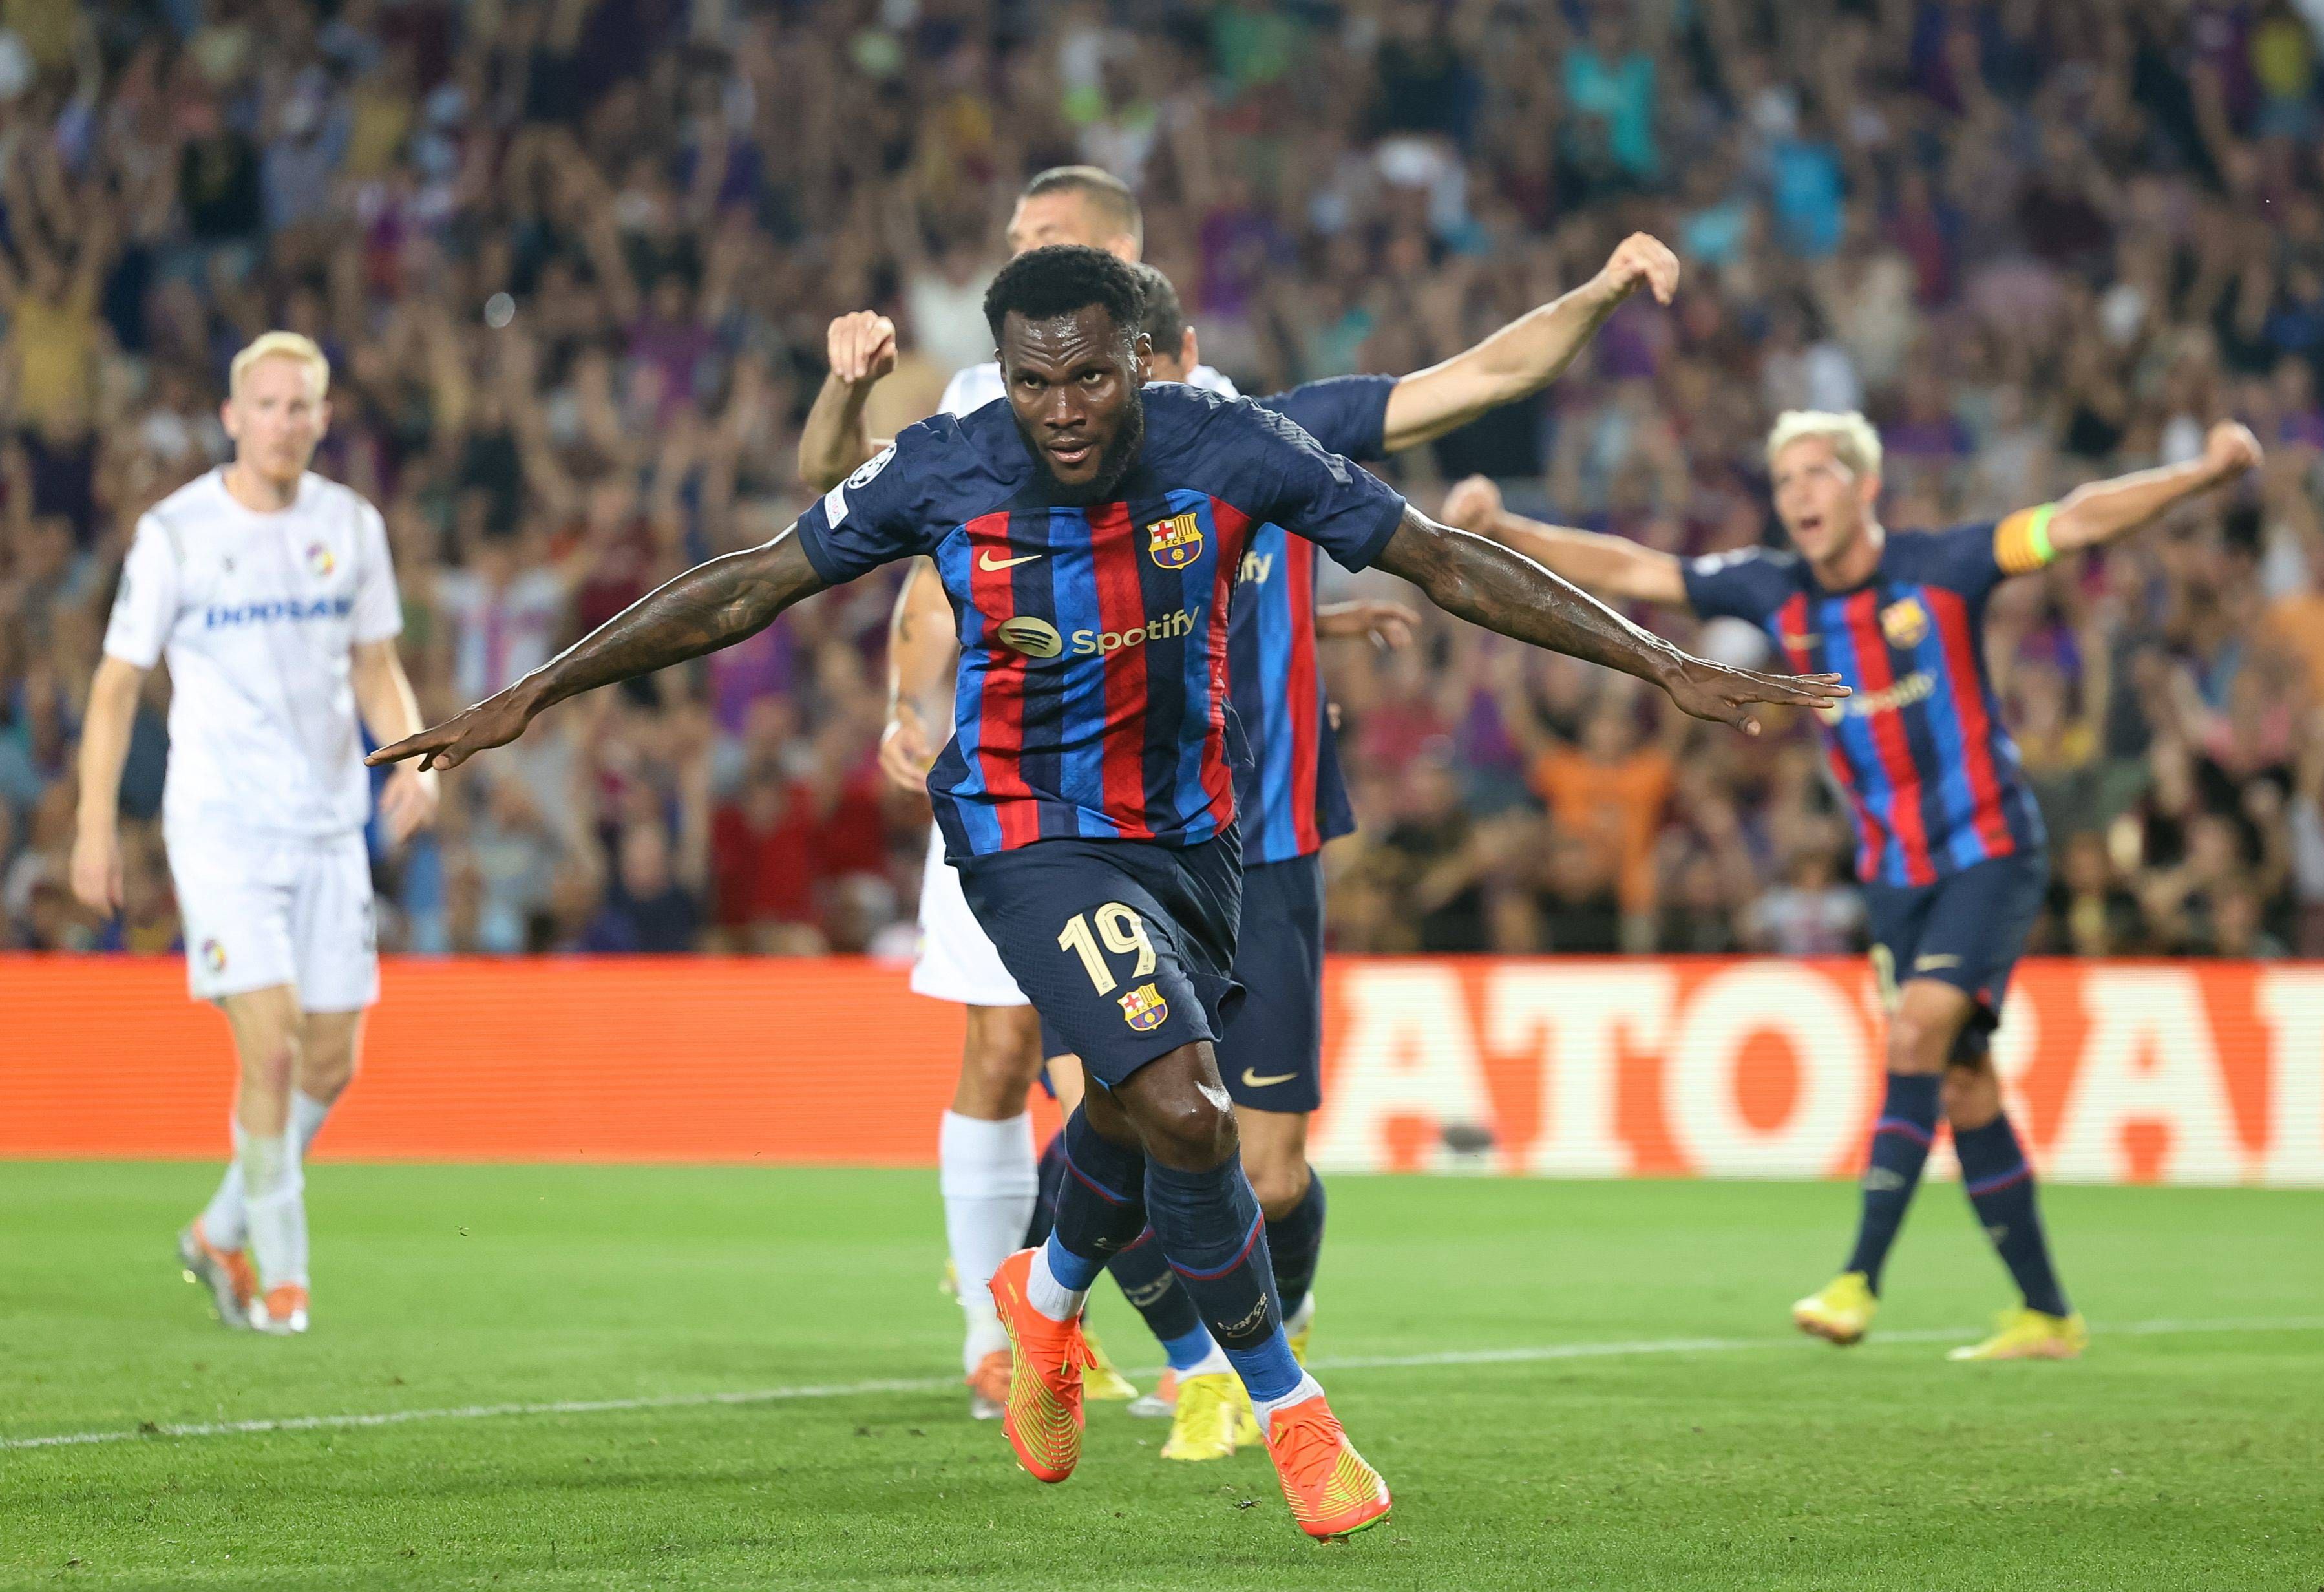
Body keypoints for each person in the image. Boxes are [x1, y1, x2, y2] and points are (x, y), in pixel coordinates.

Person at [370, 246, 1841, 1538]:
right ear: (1002, 374)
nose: (1060, 408)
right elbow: (749, 581)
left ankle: (1047, 1294)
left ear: (1136, 361)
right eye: (1031, 381)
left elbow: (1442, 559)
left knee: (1130, 1112)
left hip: (1191, 836)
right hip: (1024, 828)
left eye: (1085, 377)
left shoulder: (1223, 444)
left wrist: (1664, 666)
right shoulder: (946, 467)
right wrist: (537, 691)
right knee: (1188, 1103)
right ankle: (1290, 1410)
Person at [1443, 409, 2263, 1361]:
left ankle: (1857, 1279)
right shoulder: (1773, 589)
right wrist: (1503, 527)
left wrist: (2201, 473)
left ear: (1864, 487)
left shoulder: (1945, 565)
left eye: (1818, 473)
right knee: (1960, 1080)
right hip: (1892, 878)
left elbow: (2075, 520)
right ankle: (2046, 1314)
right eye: (1784, 478)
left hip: (1987, 850)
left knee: (1915, 1033)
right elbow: (1632, 570)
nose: (1798, 493)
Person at [1099, 242, 1682, 1462]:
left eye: (1150, 376)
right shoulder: (1063, 468)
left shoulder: (1278, 437)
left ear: (1188, 363)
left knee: (1267, 1173)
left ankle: (1282, 1319)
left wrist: (1597, 290)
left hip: (1265, 852)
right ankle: (1193, 1366)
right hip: (1120, 852)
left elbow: (1475, 380)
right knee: (1123, 1115)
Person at [793, 167, 1211, 1423]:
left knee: (1126, 1076)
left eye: (1050, 242)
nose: (1018, 260)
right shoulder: (980, 402)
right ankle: (1000, 1333)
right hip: (1005, 776)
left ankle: (1090, 1316)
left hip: (1146, 789)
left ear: (1122, 269)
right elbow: (874, 535)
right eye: (1017, 239)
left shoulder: (1189, 407)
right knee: (1000, 1042)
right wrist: (906, 706)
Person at [70, 331, 438, 1336]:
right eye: (265, 405)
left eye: (300, 406)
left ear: (322, 419)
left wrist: (410, 753)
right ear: (232, 418)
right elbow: (114, 684)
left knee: (332, 1062)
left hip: (329, 826)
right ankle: (284, 1280)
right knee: (269, 1054)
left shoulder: (350, 527)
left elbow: (373, 664)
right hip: (224, 826)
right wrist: (95, 822)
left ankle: (219, 1230)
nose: (283, 423)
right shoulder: (176, 533)